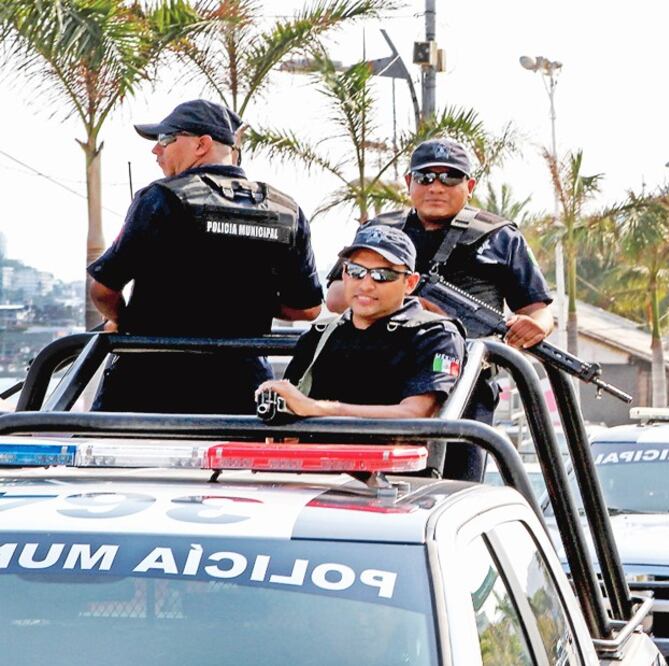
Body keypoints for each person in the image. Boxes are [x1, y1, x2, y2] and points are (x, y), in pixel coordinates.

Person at [325, 138, 554, 480]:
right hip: (378, 379)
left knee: (454, 488)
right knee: (363, 490)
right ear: (408, 183)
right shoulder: (378, 231)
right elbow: (335, 297)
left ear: (470, 186)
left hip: (464, 384)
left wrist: (536, 326)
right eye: (425, 177)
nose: (436, 186)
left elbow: (538, 309)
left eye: (450, 177)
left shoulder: (500, 237)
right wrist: (409, 301)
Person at [87, 99, 323, 414]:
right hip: (242, 393)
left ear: (202, 144)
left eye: (165, 140)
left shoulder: (162, 198)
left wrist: (123, 321)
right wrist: (245, 298)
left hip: (149, 387)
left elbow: (102, 290)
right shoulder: (284, 209)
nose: (156, 151)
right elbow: (308, 309)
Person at [257, 226, 465, 425]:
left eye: (383, 275)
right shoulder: (320, 335)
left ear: (410, 283)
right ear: (344, 274)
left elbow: (415, 416)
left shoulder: (434, 336)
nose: (366, 285)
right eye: (356, 271)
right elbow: (291, 408)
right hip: (316, 457)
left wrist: (320, 409)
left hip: (395, 459)